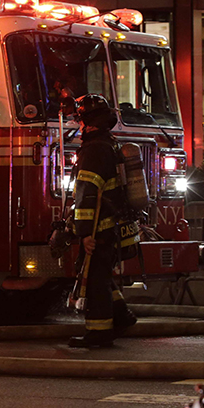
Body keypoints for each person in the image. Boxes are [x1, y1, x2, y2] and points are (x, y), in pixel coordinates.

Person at [67, 94, 138, 349]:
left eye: (80, 119)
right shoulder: (109, 144)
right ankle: (122, 316)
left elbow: (87, 193)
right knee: (101, 274)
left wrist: (84, 233)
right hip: (111, 224)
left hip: (99, 227)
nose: (79, 125)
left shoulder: (95, 149)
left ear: (86, 121)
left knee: (94, 279)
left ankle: (99, 332)